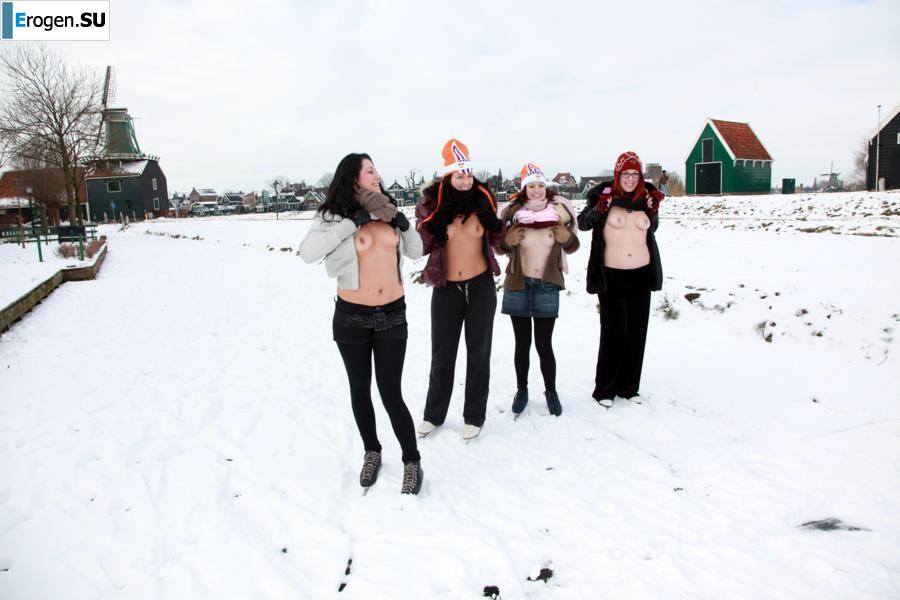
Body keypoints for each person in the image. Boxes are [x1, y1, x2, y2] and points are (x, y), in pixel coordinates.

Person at [299, 153, 423, 494]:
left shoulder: (389, 210)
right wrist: (352, 223)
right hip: (352, 317)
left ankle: (412, 460)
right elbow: (308, 252)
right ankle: (372, 451)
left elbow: (417, 251)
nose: (377, 174)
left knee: (391, 392)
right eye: (370, 170)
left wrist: (403, 222)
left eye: (376, 169)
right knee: (360, 390)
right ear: (354, 178)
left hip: (393, 316)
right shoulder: (332, 215)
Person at [415, 139, 504, 441]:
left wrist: (498, 225)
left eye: (468, 175)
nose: (465, 181)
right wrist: (434, 222)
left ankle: (474, 415)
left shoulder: (484, 200)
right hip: (446, 288)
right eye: (459, 176)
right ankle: (433, 415)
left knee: (478, 354)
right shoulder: (430, 204)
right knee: (442, 355)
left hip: (480, 286)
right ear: (447, 177)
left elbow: (501, 244)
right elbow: (421, 247)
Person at [577, 151, 664, 408]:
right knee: (614, 332)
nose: (630, 178)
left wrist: (654, 211)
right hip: (612, 276)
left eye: (635, 174)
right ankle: (605, 388)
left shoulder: (647, 198)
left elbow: (652, 229)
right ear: (618, 174)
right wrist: (599, 208)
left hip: (641, 274)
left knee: (637, 332)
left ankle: (628, 387)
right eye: (625, 173)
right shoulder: (602, 195)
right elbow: (583, 224)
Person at [495, 163, 580, 417]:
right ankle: (522, 390)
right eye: (531, 186)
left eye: (540, 185)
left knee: (544, 344)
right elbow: (499, 247)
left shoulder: (559, 212)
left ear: (546, 187)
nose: (536, 190)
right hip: (518, 284)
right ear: (524, 189)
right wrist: (507, 241)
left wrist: (565, 237)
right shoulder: (513, 213)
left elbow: (573, 245)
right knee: (522, 344)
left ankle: (550, 391)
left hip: (547, 285)